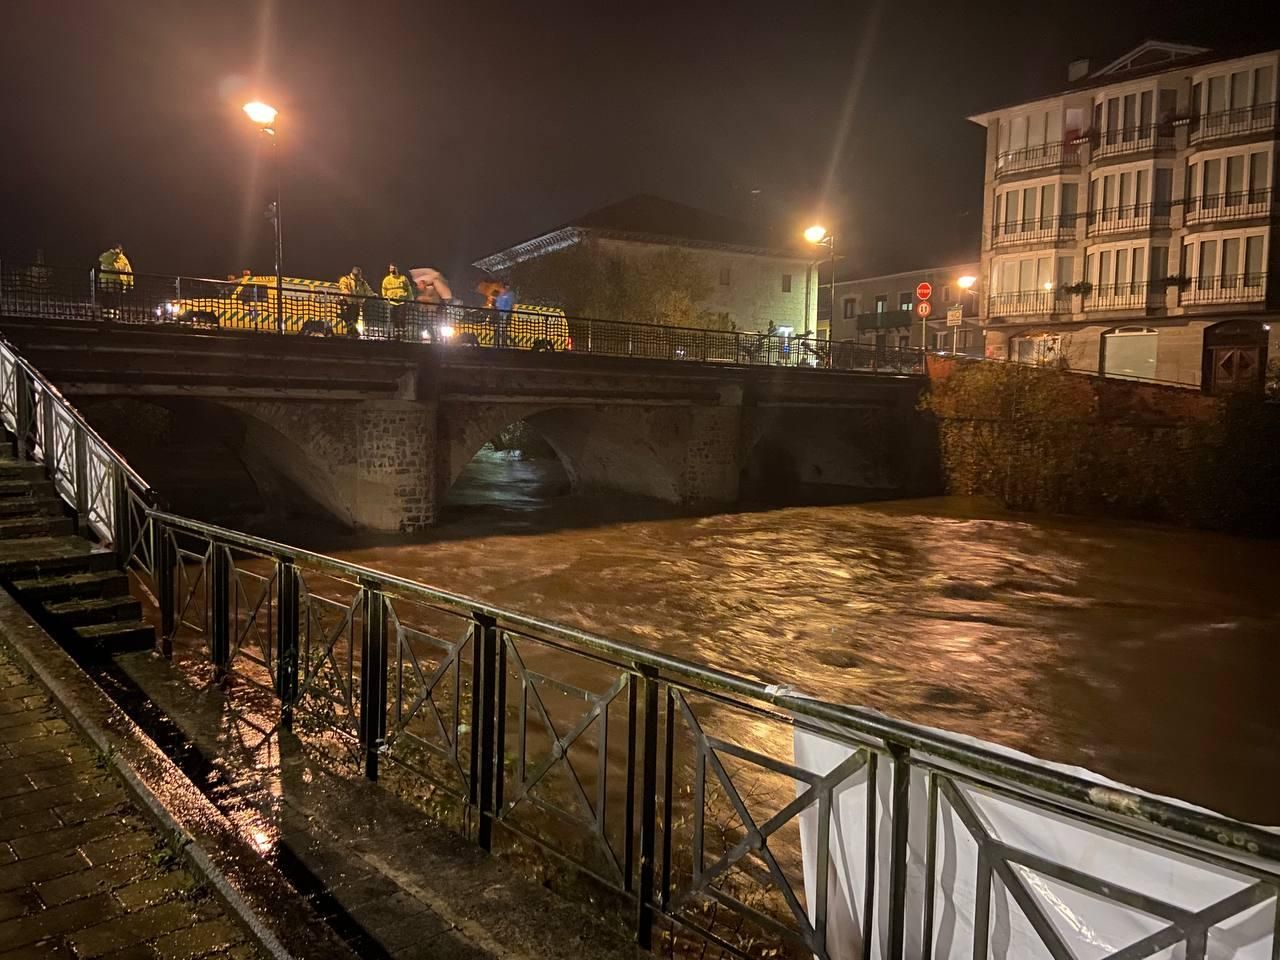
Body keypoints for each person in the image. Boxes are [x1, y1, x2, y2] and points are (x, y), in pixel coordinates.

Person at [338, 266, 373, 338]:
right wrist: (345, 291)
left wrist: (373, 295)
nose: (358, 277)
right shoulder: (346, 279)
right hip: (348, 303)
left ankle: (352, 333)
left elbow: (368, 290)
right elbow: (342, 286)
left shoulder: (362, 282)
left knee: (355, 319)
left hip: (357, 304)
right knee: (349, 319)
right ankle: (352, 333)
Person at [381, 263, 411, 337]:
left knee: (402, 317)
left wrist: (410, 299)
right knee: (394, 318)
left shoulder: (403, 278)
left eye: (394, 268)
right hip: (392, 302)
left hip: (402, 301)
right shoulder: (386, 280)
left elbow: (409, 289)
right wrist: (386, 300)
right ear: (389, 269)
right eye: (391, 268)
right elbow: (384, 291)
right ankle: (397, 332)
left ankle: (403, 331)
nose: (393, 270)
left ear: (397, 269)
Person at [494, 281, 515, 348]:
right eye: (506, 286)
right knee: (501, 328)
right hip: (501, 313)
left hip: (505, 313)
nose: (506, 288)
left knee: (502, 328)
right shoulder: (501, 294)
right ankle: (501, 343)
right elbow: (498, 302)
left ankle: (502, 343)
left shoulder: (509, 294)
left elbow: (509, 304)